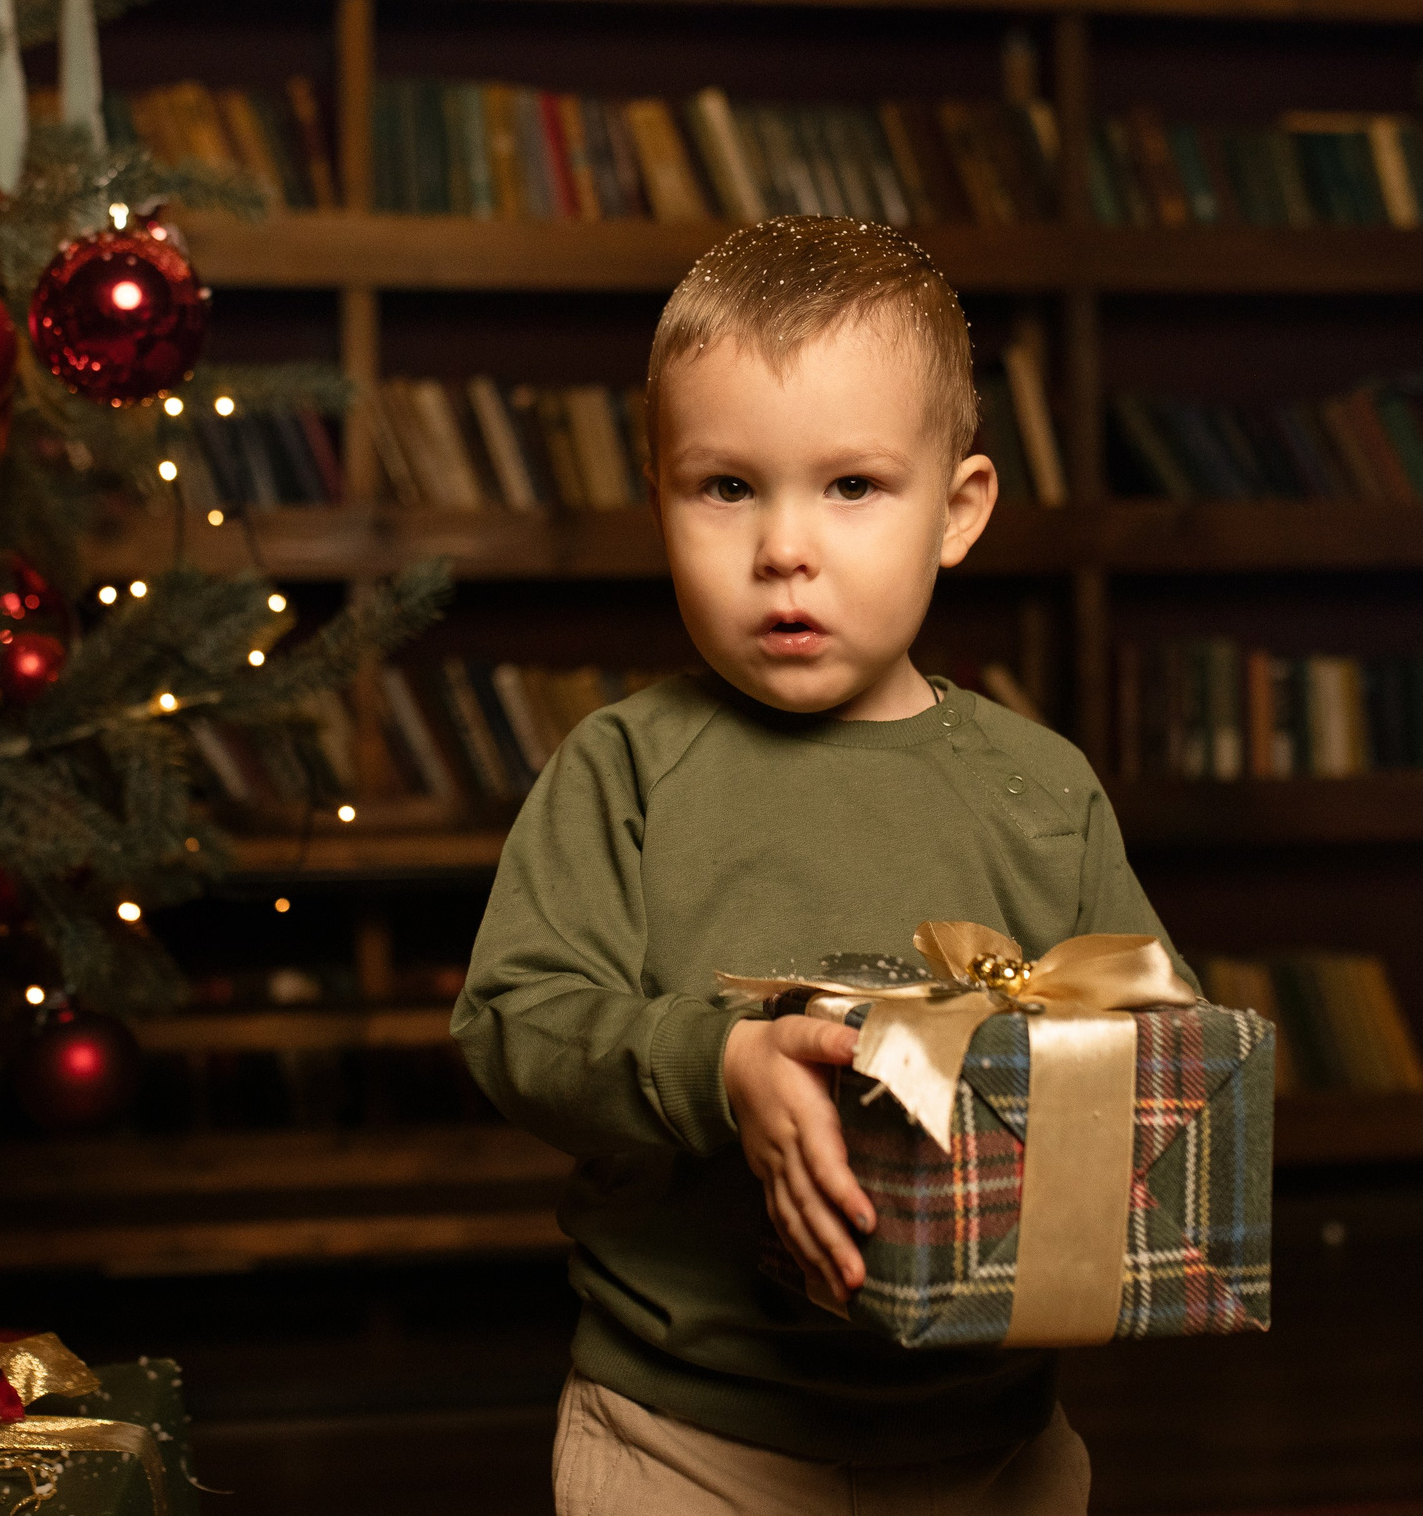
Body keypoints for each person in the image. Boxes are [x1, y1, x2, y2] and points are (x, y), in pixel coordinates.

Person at [453, 215, 1186, 1516]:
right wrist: (721, 1062)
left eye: (851, 486)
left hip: (992, 1439)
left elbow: (1155, 1064)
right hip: (685, 1432)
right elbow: (515, 1021)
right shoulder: (622, 767)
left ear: (957, 512)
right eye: (726, 485)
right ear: (659, 499)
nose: (784, 545)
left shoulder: (1043, 789)